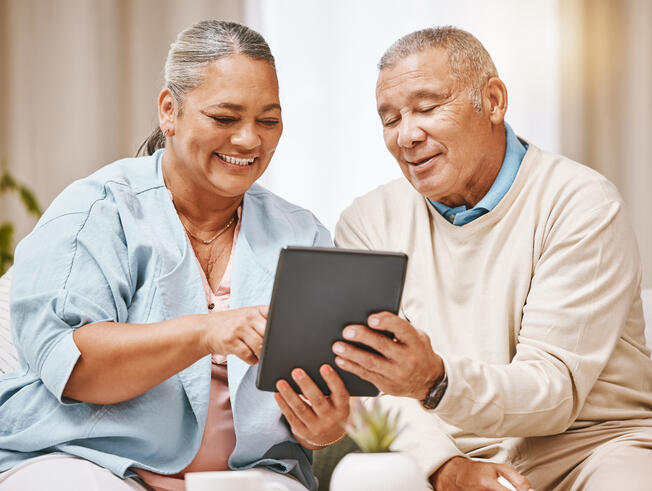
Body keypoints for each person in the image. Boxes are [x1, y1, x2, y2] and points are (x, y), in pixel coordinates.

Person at [0, 20, 350, 491]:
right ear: (170, 110)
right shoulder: (95, 212)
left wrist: (322, 426)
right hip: (88, 462)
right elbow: (76, 369)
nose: (250, 140)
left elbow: (317, 407)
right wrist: (207, 331)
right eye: (225, 118)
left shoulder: (302, 235)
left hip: (243, 478)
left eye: (268, 120)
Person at [333, 26, 652, 491]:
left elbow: (553, 391)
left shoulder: (582, 203)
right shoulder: (368, 221)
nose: (406, 135)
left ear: (494, 102)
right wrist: (443, 467)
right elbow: (374, 382)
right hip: (452, 454)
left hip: (589, 449)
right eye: (389, 119)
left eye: (426, 107)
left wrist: (435, 381)